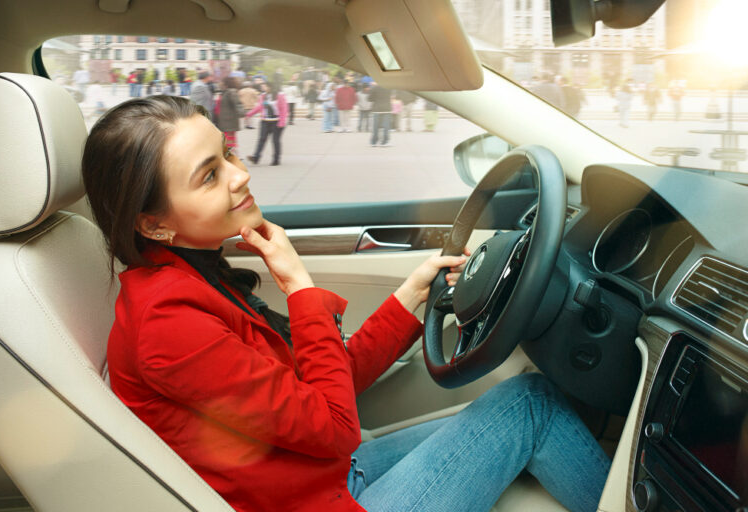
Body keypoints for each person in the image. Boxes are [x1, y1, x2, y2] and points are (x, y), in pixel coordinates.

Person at [80, 94, 610, 512]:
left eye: (229, 152)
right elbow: (335, 426)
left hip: (325, 478)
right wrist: (299, 286)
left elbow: (322, 384)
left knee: (528, 400)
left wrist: (414, 295)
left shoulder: (191, 278)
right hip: (321, 494)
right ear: (154, 224)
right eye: (210, 175)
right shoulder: (167, 322)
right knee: (533, 406)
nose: (241, 174)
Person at [245, 82, 288, 166]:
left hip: (276, 121)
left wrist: (282, 121)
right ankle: (256, 158)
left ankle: (276, 159)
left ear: (270, 87)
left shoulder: (280, 95)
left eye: (264, 86)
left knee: (275, 141)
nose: (262, 88)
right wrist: (249, 114)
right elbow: (259, 107)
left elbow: (284, 109)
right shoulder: (263, 96)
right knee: (261, 139)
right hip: (265, 121)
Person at [216, 76, 244, 157]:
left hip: (229, 122)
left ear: (226, 83)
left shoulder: (231, 92)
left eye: (222, 82)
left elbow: (237, 104)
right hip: (225, 121)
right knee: (228, 141)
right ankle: (233, 157)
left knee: (229, 141)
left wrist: (241, 112)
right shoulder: (225, 92)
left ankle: (233, 158)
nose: (220, 83)